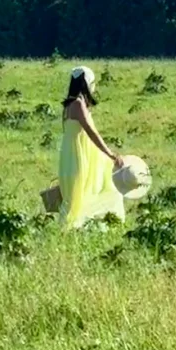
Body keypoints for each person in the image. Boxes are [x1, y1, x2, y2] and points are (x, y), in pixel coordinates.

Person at [57, 66, 125, 229]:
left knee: (76, 193)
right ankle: (71, 228)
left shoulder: (69, 104)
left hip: (70, 154)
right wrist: (110, 154)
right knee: (79, 192)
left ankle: (73, 228)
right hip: (78, 155)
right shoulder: (78, 104)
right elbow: (91, 132)